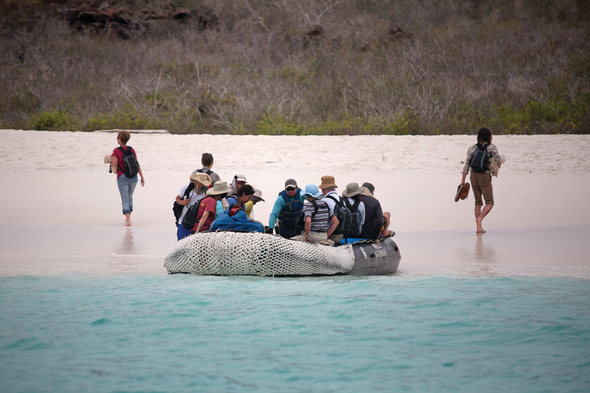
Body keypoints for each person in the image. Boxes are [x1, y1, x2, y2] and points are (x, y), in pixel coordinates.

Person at [460, 127, 502, 234]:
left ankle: (479, 228)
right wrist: (497, 165)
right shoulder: (491, 147)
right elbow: (498, 161)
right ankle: (480, 219)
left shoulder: (472, 148)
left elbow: (466, 166)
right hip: (484, 176)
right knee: (489, 202)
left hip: (473, 176)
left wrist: (462, 181)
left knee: (477, 203)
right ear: (489, 136)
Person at [110, 130, 145, 226]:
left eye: (117, 138)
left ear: (120, 139)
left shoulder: (116, 151)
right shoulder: (131, 149)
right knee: (130, 197)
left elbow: (114, 164)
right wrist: (141, 176)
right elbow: (137, 164)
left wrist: (110, 160)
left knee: (124, 198)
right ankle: (128, 216)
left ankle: (128, 219)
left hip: (122, 177)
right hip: (134, 177)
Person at [175, 172, 211, 241]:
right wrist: (182, 202)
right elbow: (177, 198)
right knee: (181, 246)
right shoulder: (186, 189)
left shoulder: (207, 193)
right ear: (195, 182)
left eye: (205, 184)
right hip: (183, 223)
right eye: (201, 184)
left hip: (198, 226)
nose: (203, 186)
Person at [318, 175, 343, 244]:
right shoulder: (341, 199)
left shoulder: (325, 201)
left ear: (323, 189)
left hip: (331, 236)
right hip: (340, 235)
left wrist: (325, 236)